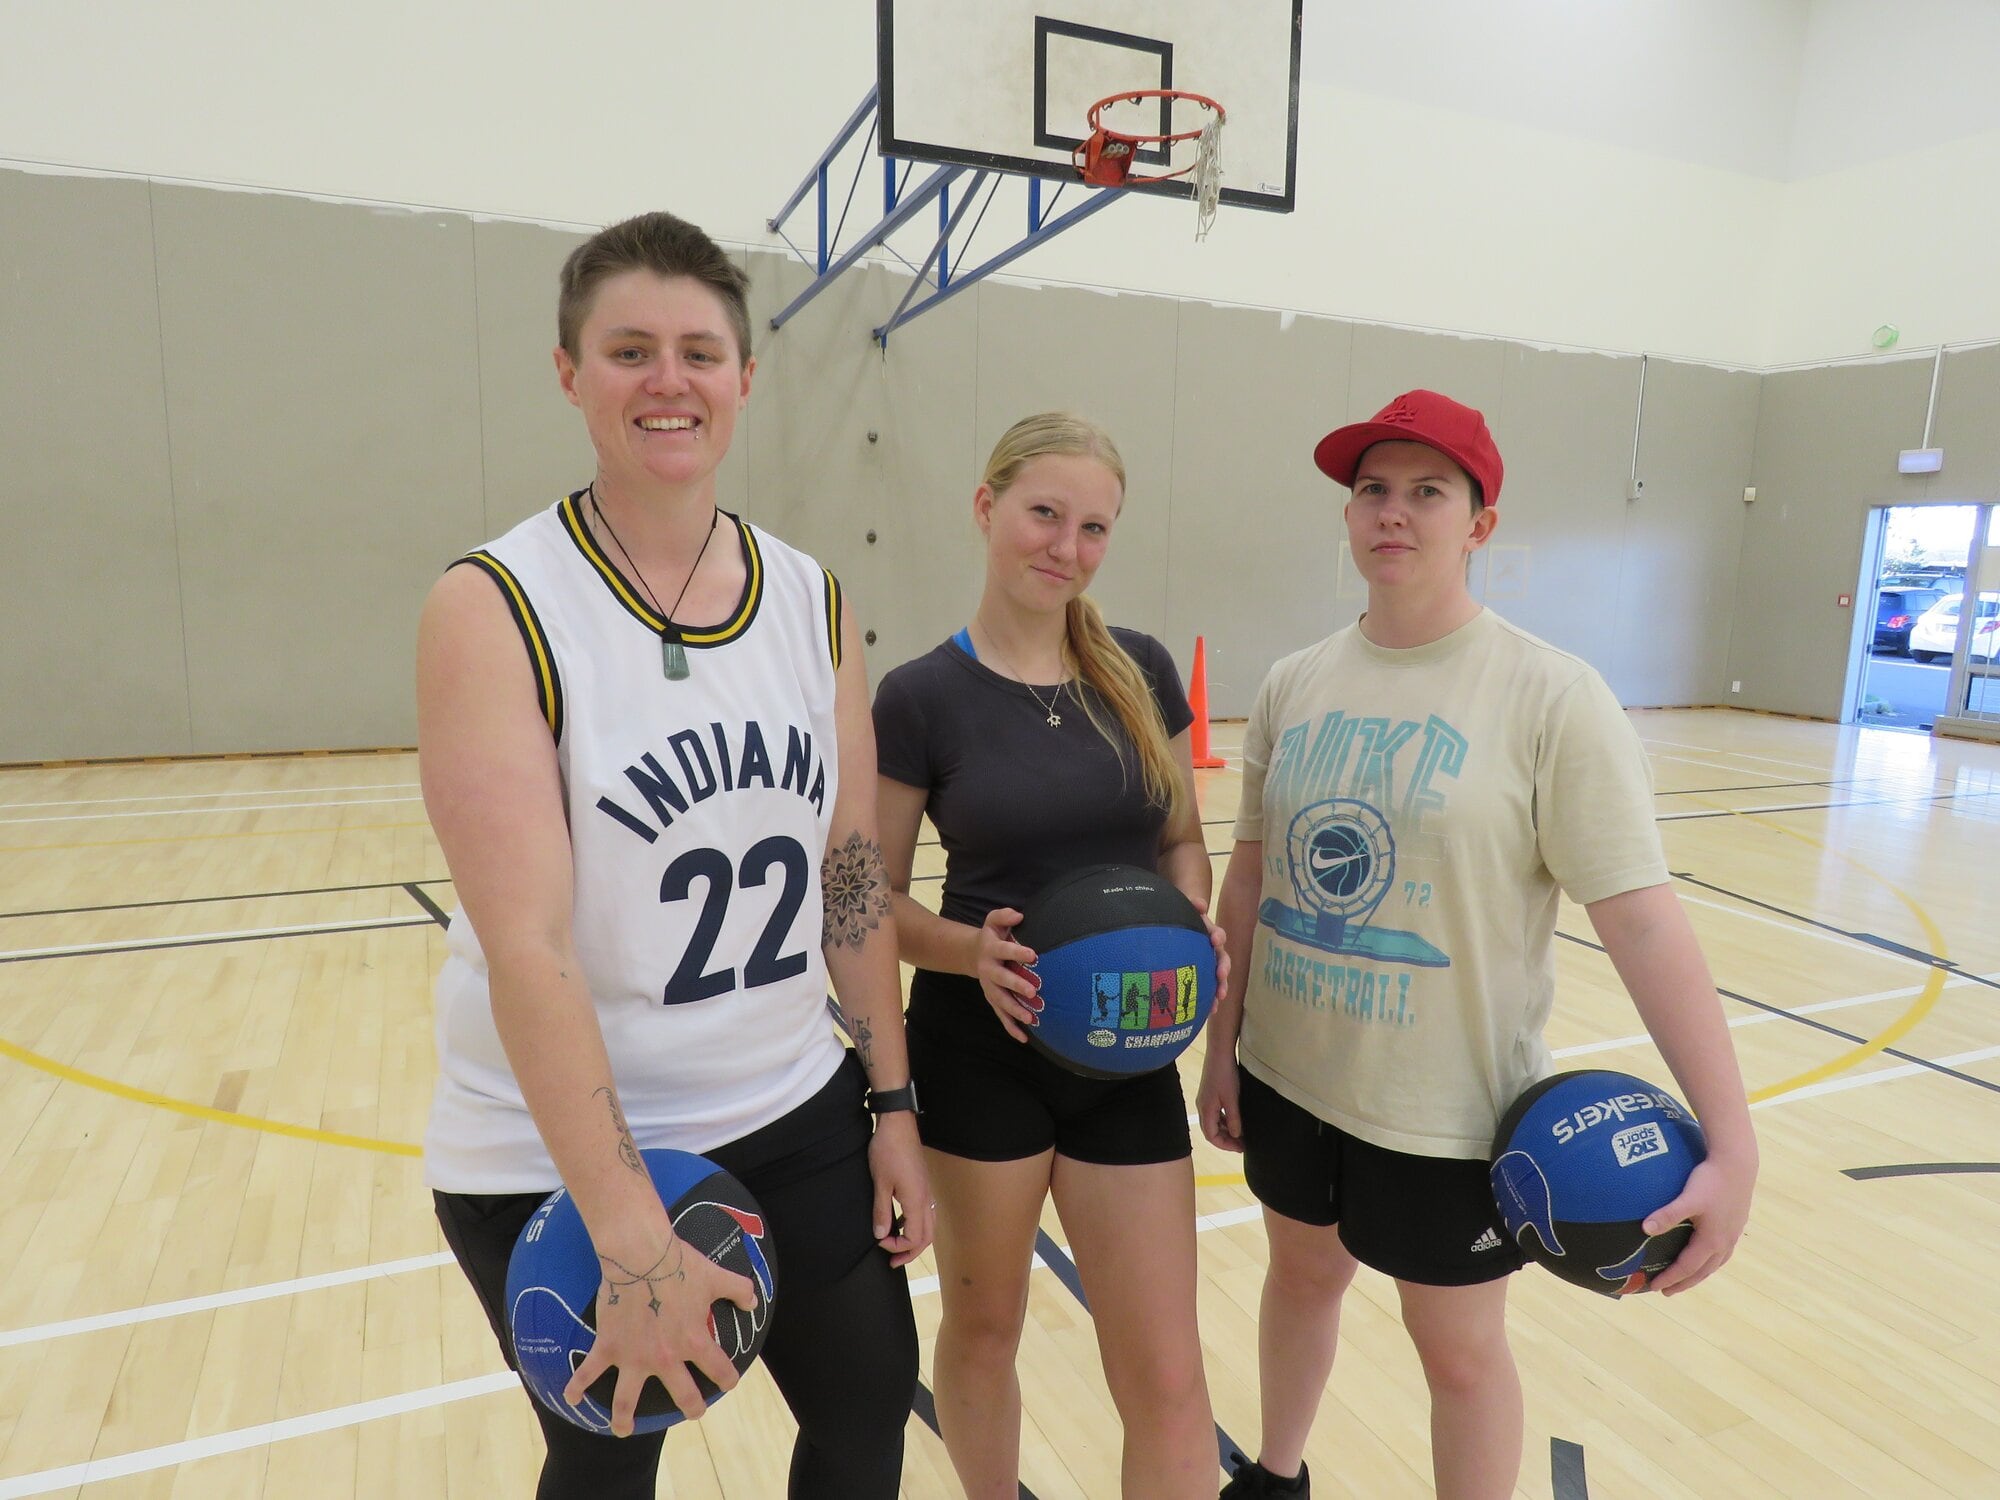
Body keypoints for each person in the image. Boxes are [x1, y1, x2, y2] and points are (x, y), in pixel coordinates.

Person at [417, 210, 931, 1500]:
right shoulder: (495, 606)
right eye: (629, 349)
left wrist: (890, 1105)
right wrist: (630, 1233)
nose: (669, 381)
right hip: (560, 1147)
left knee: (868, 1409)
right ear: (568, 371)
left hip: (789, 1100)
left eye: (699, 352)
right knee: (608, 1470)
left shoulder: (811, 598)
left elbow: (852, 872)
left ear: (744, 381)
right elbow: (526, 947)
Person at [1197, 390, 1758, 1500]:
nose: (1391, 513)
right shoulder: (1292, 683)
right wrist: (1222, 1049)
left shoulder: (1551, 696)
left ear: (1478, 524)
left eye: (1426, 492)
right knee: (1299, 1279)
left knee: (1455, 1352)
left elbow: (1642, 919)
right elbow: (1250, 881)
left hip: (1444, 1115)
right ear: (1347, 515)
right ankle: (1273, 1475)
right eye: (1370, 490)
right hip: (1289, 1080)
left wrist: (1731, 1145)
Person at [872, 413, 1223, 1500]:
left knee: (1166, 1369)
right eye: (1042, 514)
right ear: (986, 509)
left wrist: (1190, 926)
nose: (1064, 548)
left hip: (1126, 1047)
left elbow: (1180, 842)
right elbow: (872, 904)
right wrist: (967, 949)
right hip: (983, 1047)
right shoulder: (920, 697)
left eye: (1092, 528)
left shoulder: (1142, 671)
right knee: (983, 1332)